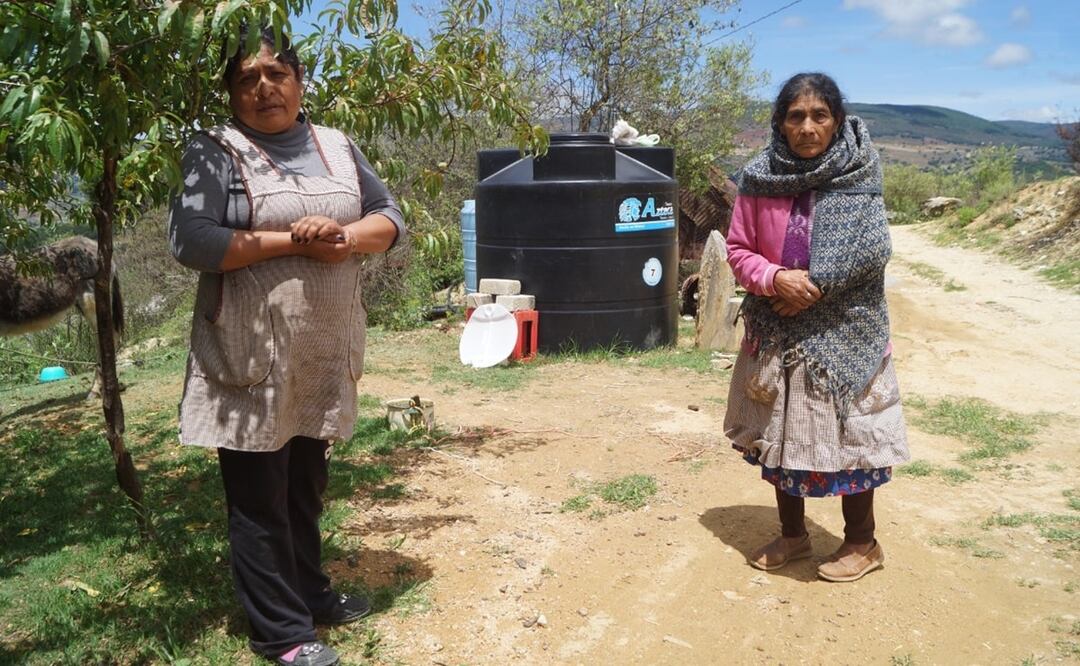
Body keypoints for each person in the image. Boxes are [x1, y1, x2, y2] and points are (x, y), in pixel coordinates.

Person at [169, 27, 405, 666]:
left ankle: (310, 594)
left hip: (321, 346)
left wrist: (346, 236)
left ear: (299, 82)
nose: (263, 87)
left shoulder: (338, 144)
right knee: (257, 490)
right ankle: (281, 633)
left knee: (305, 480)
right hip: (248, 350)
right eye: (247, 78)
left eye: (276, 73)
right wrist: (294, 242)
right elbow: (192, 239)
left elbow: (390, 219)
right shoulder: (214, 151)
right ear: (231, 92)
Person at [723, 72, 909, 583]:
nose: (808, 126)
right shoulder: (759, 177)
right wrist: (775, 279)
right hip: (778, 330)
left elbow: (874, 250)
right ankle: (793, 534)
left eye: (819, 115)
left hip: (848, 329)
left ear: (837, 120)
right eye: (796, 116)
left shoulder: (860, 169)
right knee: (778, 435)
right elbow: (738, 251)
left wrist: (814, 288)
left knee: (854, 440)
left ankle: (862, 543)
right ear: (781, 125)